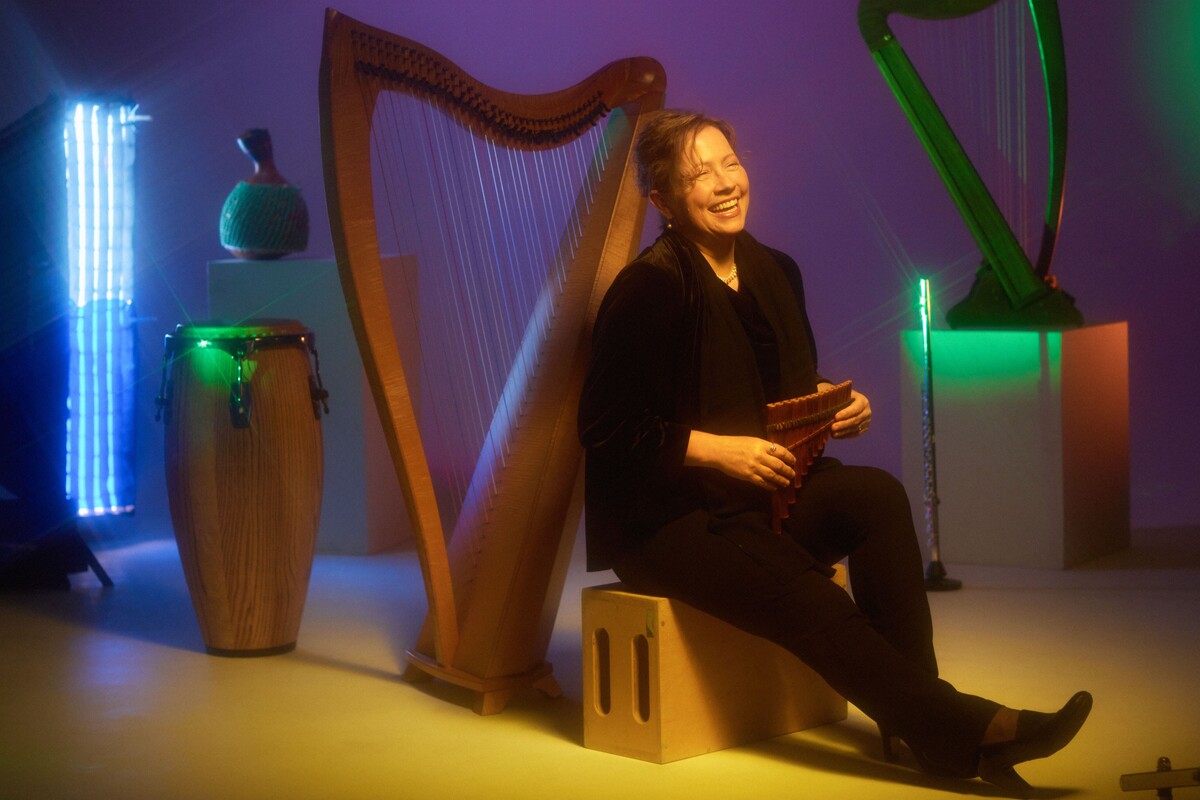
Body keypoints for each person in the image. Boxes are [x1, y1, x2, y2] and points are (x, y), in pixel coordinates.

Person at [577, 109, 1090, 794]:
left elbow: (776, 386)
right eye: (699, 174)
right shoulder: (649, 288)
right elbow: (606, 427)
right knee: (807, 593)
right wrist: (719, 453)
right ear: (663, 201)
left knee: (876, 496)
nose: (726, 183)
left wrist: (831, 402)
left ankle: (917, 721)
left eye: (731, 162)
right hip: (670, 520)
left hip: (762, 490)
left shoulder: (774, 270)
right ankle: (971, 732)